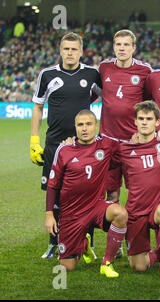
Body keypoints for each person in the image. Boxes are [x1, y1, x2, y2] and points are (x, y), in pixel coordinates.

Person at [30, 32, 101, 260]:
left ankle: (87, 242)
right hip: (55, 145)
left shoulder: (91, 74)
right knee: (56, 192)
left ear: (81, 51)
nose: (70, 53)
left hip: (84, 144)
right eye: (66, 49)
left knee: (86, 192)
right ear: (60, 51)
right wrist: (34, 140)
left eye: (74, 49)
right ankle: (54, 243)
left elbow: (100, 97)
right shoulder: (47, 74)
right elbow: (38, 107)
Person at [45, 109, 128, 277]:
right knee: (68, 266)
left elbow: (128, 147)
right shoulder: (64, 149)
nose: (84, 128)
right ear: (75, 127)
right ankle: (84, 244)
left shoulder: (106, 144)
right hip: (70, 213)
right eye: (80, 124)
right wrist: (49, 215)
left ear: (96, 126)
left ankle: (107, 263)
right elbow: (52, 184)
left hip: (96, 206)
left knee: (121, 214)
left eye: (89, 124)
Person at [111, 101, 160, 279]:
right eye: (141, 118)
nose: (145, 122)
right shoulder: (124, 148)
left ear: (157, 122)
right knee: (138, 266)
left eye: (149, 119)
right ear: (135, 122)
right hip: (135, 210)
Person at [99, 29, 152, 205]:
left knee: (137, 194)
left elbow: (151, 103)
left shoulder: (144, 71)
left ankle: (133, 230)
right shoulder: (104, 68)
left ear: (133, 48)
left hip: (133, 140)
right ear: (113, 47)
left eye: (126, 45)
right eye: (118, 44)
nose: (122, 48)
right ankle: (114, 231)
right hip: (108, 140)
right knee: (111, 194)